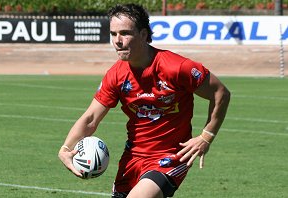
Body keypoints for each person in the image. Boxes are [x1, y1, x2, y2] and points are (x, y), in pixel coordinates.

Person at [58, 3, 230, 198]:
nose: (118, 41)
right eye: (113, 34)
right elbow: (91, 118)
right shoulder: (116, 75)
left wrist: (206, 136)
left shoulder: (177, 67)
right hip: (132, 158)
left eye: (125, 33)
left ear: (143, 34)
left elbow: (220, 93)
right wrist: (65, 148)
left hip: (169, 157)